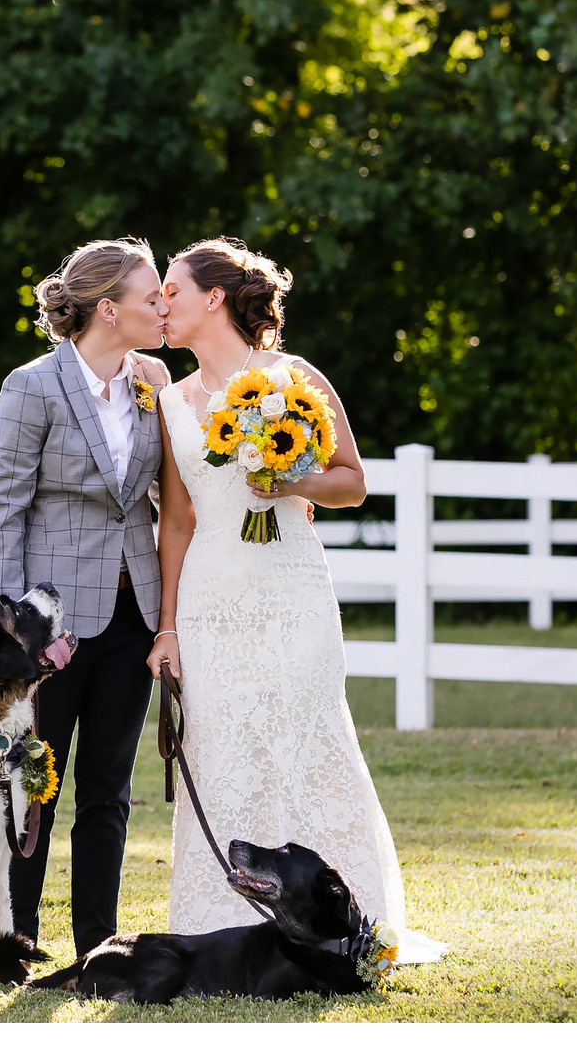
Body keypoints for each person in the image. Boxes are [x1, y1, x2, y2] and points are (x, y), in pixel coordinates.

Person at [147, 236, 447, 962]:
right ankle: (221, 918)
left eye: (172, 292)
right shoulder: (171, 402)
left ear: (214, 298)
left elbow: (352, 480)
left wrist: (292, 484)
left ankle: (346, 917)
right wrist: (168, 630)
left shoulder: (292, 377)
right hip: (212, 596)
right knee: (221, 746)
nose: (161, 304)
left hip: (292, 588)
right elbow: (178, 521)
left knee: (306, 738)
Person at [0, 236, 173, 958]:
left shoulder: (153, 378)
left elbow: (158, 497)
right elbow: (3, 506)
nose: (163, 307)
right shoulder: (30, 386)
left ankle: (97, 941)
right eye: (151, 296)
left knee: (108, 788)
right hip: (49, 626)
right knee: (35, 784)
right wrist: (9, 629)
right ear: (106, 309)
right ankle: (16, 936)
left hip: (133, 615)